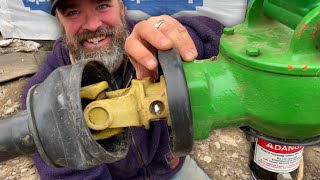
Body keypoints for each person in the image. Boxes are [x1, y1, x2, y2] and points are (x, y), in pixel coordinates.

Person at [22, 0, 224, 179]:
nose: (93, 25)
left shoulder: (148, 40)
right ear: (60, 22)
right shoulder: (45, 94)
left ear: (122, 7)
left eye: (102, 5)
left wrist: (174, 46)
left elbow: (219, 39)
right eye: (73, 12)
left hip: (174, 168)